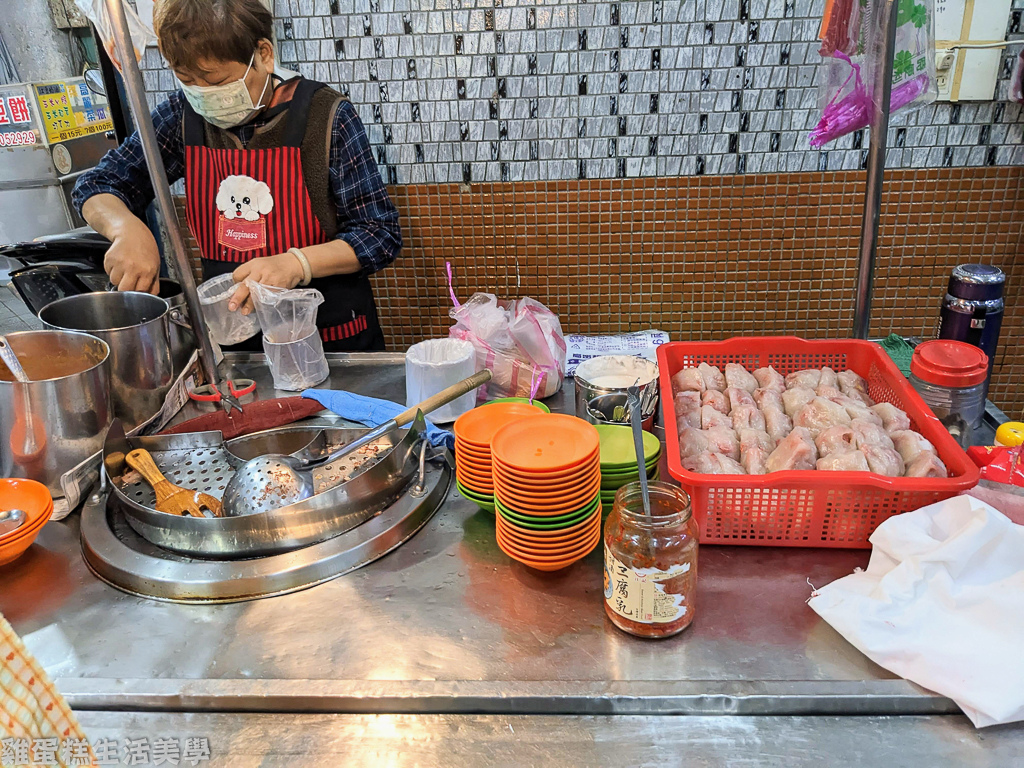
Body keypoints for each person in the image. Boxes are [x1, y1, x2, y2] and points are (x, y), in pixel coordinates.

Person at [72, 0, 401, 351]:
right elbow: (98, 184)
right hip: (236, 346)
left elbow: (379, 234)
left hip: (330, 341)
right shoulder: (182, 116)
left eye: (216, 80)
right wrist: (125, 229)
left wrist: (297, 263)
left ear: (263, 54)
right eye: (188, 80)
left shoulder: (327, 116)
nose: (204, 94)